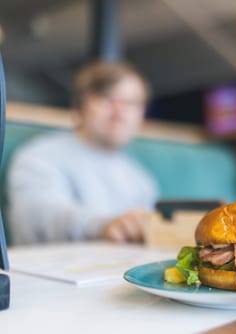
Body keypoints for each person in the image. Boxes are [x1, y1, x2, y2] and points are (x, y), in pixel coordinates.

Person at [7, 62, 158, 245]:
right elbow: (38, 214)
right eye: (106, 98)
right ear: (79, 107)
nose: (120, 112)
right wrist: (103, 226)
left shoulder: (142, 179)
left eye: (131, 103)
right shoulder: (38, 156)